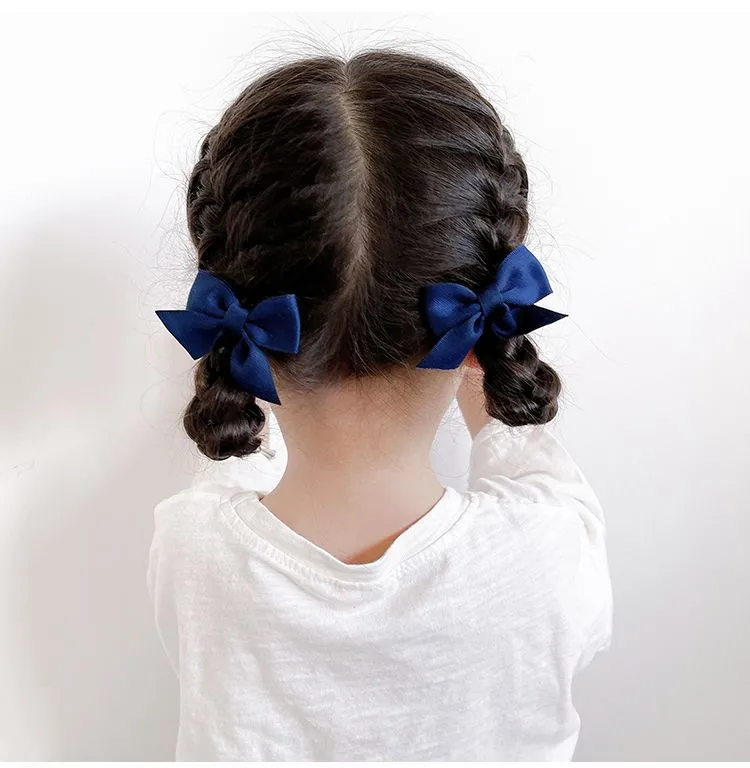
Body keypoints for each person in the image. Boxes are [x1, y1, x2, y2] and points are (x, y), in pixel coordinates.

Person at [148, 50, 612, 761]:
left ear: (230, 316)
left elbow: (233, 468)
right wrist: (490, 362)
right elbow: (539, 473)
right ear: (478, 335)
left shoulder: (193, 547)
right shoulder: (550, 549)